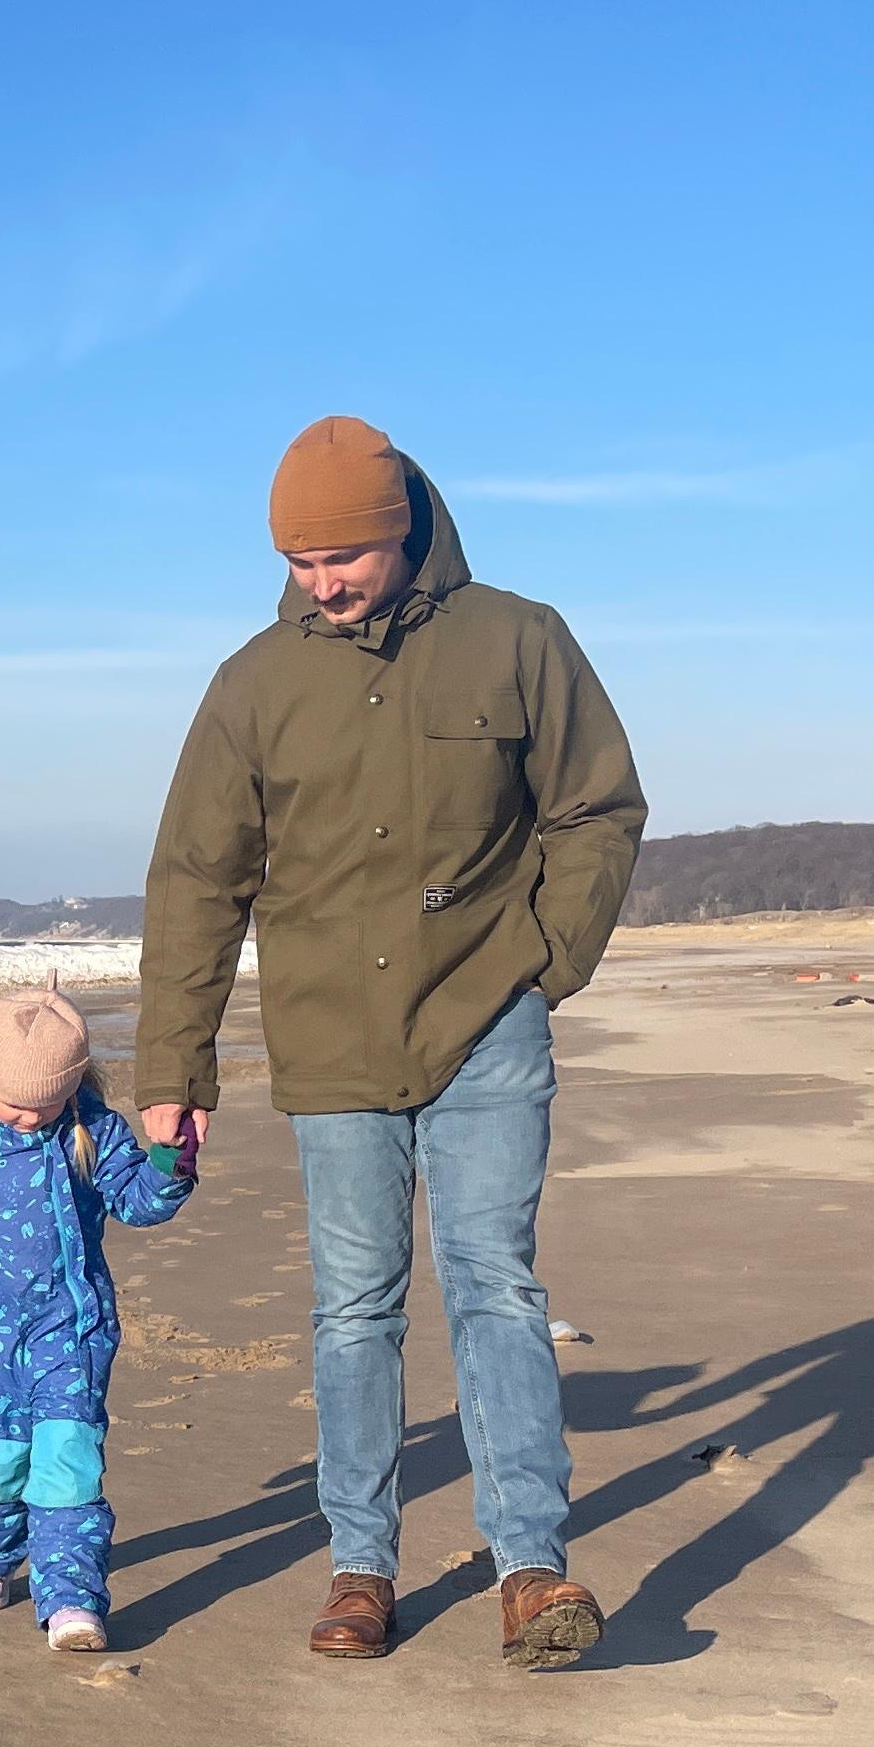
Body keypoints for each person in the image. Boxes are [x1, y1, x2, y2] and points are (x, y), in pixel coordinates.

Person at [134, 416, 647, 1668]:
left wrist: (545, 962)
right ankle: (360, 1568)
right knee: (354, 1310)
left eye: (346, 556)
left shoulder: (520, 639)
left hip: (485, 1017)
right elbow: (198, 879)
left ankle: (533, 1567)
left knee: (496, 1287)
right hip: (329, 1037)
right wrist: (172, 1074)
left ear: (404, 528)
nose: (327, 583)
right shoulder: (254, 683)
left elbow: (598, 808)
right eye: (304, 563)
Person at [0, 983, 190, 1654]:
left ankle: (72, 1600)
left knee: (67, 1461)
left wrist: (168, 1165)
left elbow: (137, 1203)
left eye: (39, 1105)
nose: (23, 1116)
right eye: (10, 1102)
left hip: (72, 1332)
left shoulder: (92, 1131)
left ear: (70, 1087)